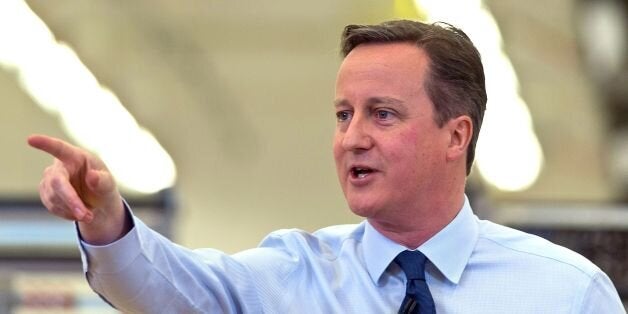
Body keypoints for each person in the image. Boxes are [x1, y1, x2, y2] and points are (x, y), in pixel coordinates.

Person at [28, 20, 625, 313]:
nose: (352, 138)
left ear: (456, 135)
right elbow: (163, 292)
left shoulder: (566, 294)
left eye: (382, 114)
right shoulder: (289, 280)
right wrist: (105, 219)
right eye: (343, 115)